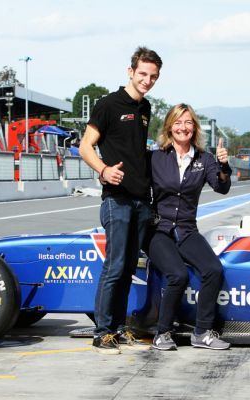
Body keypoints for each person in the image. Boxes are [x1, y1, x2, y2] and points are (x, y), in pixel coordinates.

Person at [79, 46, 163, 354]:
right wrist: (103, 170)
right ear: (131, 72)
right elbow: (85, 146)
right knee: (114, 266)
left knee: (128, 267)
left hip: (141, 201)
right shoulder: (108, 104)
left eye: (153, 76)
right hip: (116, 199)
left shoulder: (146, 108)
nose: (147, 80)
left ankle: (118, 328)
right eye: (142, 74)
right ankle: (102, 332)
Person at [148, 104, 231, 351]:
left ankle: (202, 332)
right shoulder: (154, 157)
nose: (183, 127)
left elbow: (221, 186)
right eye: (177, 122)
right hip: (158, 230)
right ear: (169, 127)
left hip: (186, 229)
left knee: (213, 270)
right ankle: (162, 333)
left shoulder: (204, 159)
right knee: (178, 275)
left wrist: (224, 166)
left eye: (188, 122)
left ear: (194, 127)